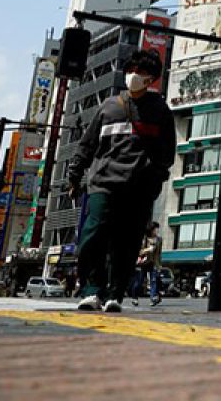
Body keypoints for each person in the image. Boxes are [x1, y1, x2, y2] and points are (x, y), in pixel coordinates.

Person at [67, 49, 176, 313]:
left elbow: (167, 153)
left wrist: (154, 179)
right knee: (92, 237)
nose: (134, 76)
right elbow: (87, 144)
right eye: (132, 70)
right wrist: (75, 174)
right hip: (103, 183)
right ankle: (92, 291)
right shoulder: (109, 106)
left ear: (152, 79)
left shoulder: (160, 111)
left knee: (126, 244)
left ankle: (115, 293)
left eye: (141, 73)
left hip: (138, 188)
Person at [130, 221, 163, 306]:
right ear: (151, 230)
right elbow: (139, 252)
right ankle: (135, 298)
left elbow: (158, 253)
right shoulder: (144, 238)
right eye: (155, 229)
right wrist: (148, 249)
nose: (157, 231)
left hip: (153, 263)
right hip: (143, 263)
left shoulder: (159, 239)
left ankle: (153, 298)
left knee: (153, 280)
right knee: (139, 282)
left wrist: (159, 265)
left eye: (157, 229)